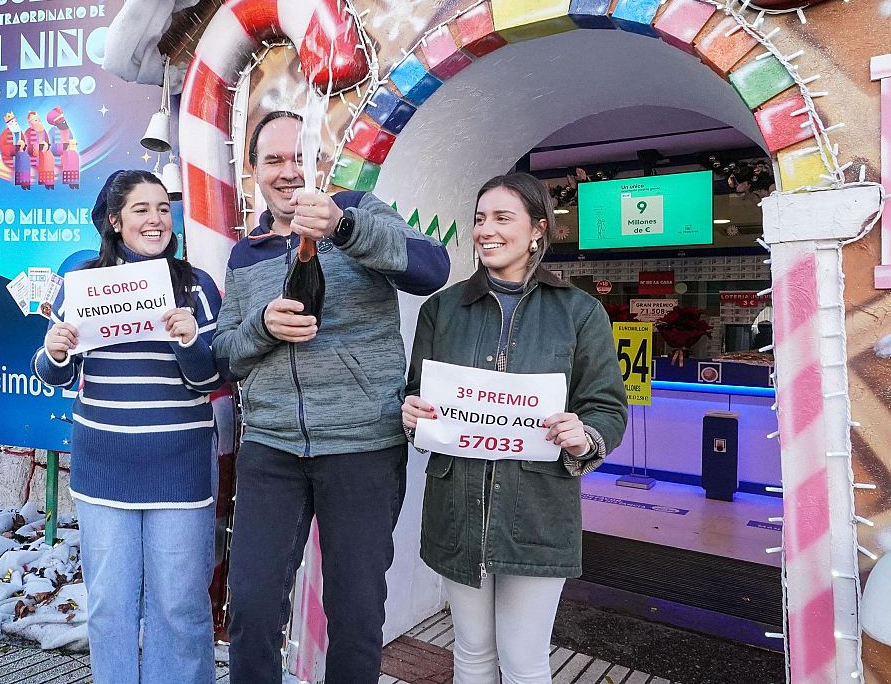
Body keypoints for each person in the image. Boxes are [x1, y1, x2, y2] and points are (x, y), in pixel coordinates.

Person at [214, 111, 450, 684]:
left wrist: (343, 227)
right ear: (254, 173)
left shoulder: (362, 211)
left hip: (363, 447)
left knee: (357, 612)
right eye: (273, 160)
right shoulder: (247, 255)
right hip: (270, 449)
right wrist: (263, 327)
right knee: (251, 606)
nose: (288, 171)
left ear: (320, 161)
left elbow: (432, 268)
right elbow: (225, 353)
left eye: (299, 157)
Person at [402, 173, 628, 684]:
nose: (486, 230)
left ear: (537, 231)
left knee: (525, 661)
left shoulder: (579, 312)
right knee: (471, 654)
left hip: (538, 513)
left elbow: (607, 408)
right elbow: (417, 394)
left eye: (503, 218)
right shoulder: (442, 308)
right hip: (457, 510)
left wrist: (585, 434)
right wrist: (412, 413)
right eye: (480, 219)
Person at [32, 169, 224, 683]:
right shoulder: (83, 285)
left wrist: (190, 343)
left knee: (179, 606)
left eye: (163, 208)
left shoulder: (196, 286)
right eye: (141, 209)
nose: (156, 219)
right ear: (115, 221)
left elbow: (212, 380)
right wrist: (52, 352)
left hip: (179, 471)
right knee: (110, 605)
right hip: (104, 469)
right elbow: (59, 371)